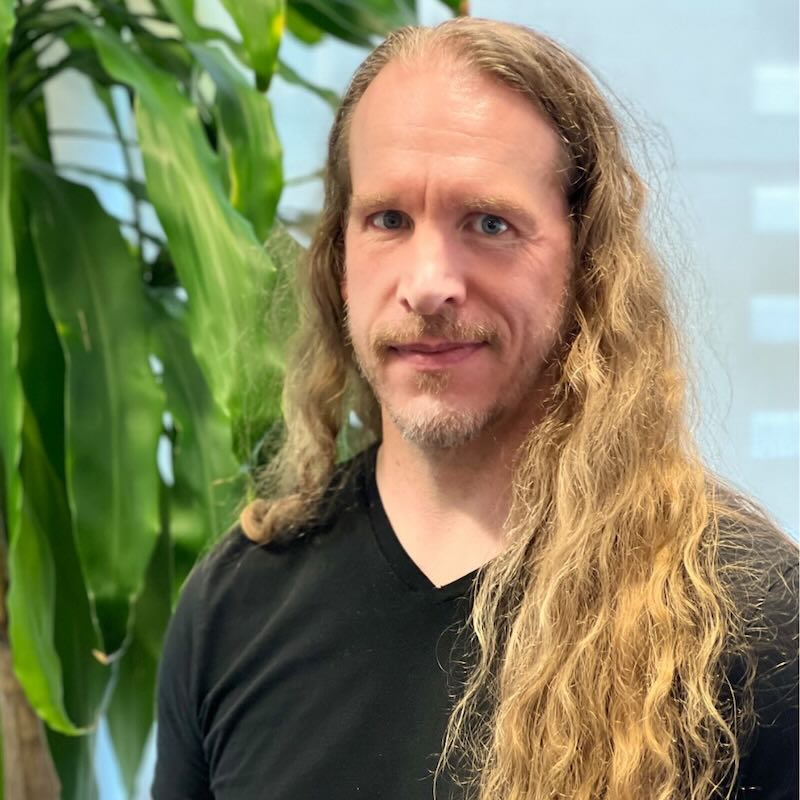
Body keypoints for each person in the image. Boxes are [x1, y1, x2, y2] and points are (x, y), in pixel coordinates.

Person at [152, 18, 798, 800]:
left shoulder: (748, 617)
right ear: (339, 257)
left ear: (588, 262)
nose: (429, 285)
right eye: (388, 220)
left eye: (490, 224)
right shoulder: (234, 606)